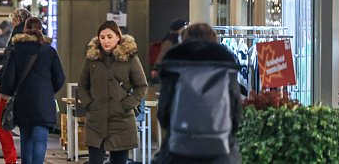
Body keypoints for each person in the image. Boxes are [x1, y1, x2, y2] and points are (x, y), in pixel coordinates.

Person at [153, 24, 242, 164]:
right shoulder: (225, 62)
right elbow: (235, 110)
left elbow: (164, 113)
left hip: (178, 150)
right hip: (220, 151)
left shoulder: (174, 62)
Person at [77, 21, 148, 164]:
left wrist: (126, 105)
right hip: (96, 120)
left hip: (121, 120)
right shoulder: (92, 60)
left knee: (119, 161)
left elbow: (141, 86)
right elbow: (82, 86)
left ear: (118, 37)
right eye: (102, 37)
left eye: (109, 36)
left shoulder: (130, 58)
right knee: (95, 160)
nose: (106, 41)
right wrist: (90, 104)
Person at [0, 18, 65, 164]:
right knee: (40, 140)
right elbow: (60, 78)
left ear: (25, 30)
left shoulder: (16, 51)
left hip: (22, 102)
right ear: (41, 29)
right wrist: (48, 91)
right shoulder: (49, 51)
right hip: (44, 103)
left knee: (26, 139)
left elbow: (8, 79)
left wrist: (8, 94)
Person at [0, 8, 31, 164]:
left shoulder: (15, 38)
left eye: (13, 19)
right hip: (29, 90)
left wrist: (2, 81)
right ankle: (29, 159)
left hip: (10, 90)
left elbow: (9, 64)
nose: (11, 22)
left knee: (2, 125)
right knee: (27, 127)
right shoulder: (36, 36)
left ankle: (10, 158)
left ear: (18, 19)